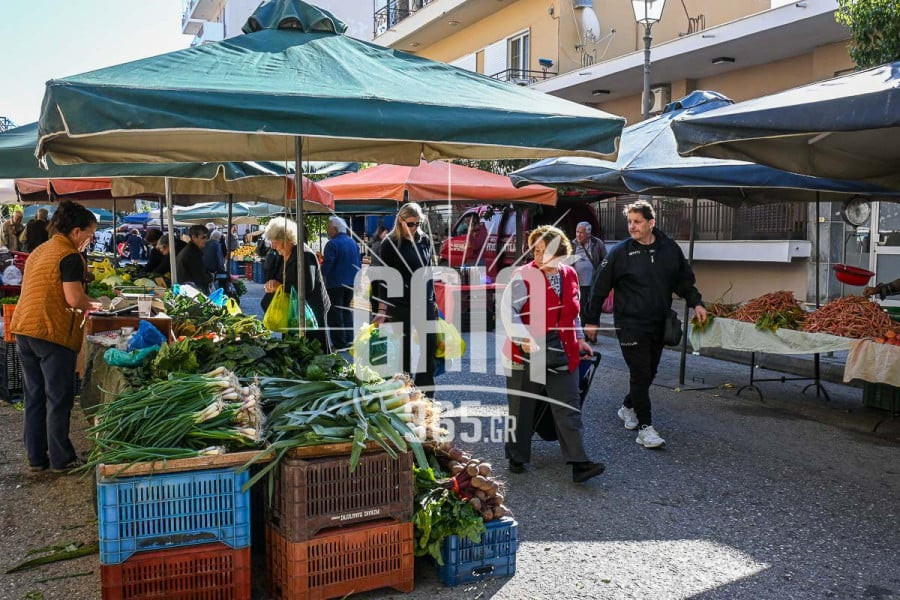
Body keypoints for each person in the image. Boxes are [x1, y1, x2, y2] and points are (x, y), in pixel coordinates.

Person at [584, 200, 707, 449]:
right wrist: (591, 321)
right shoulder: (620, 253)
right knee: (640, 372)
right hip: (629, 324)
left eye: (637, 221)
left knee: (649, 372)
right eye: (629, 222)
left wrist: (697, 303)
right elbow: (599, 287)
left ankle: (628, 406)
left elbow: (684, 282)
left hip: (658, 322)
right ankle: (645, 427)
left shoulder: (670, 250)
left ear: (651, 223)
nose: (632, 226)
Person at [501, 225, 605, 483]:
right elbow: (507, 311)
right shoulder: (523, 275)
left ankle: (579, 464)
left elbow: (574, 312)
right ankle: (517, 455)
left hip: (563, 349)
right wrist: (522, 338)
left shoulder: (569, 274)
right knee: (522, 407)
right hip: (527, 350)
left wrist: (580, 338)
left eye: (544, 251)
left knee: (569, 407)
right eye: (535, 250)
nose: (537, 255)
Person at [10, 201, 101, 474]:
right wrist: (97, 304)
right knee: (58, 397)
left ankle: (36, 458)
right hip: (51, 332)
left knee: (35, 396)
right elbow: (73, 298)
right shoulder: (70, 255)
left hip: (25, 328)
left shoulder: (42, 249)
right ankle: (62, 459)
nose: (90, 239)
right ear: (76, 231)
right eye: (89, 234)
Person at [373, 203, 437, 391]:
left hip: (424, 302)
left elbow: (428, 271)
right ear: (400, 221)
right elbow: (383, 281)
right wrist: (381, 310)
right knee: (404, 353)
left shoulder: (424, 240)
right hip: (400, 305)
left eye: (418, 223)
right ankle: (405, 394)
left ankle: (425, 396)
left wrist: (434, 302)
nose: (414, 228)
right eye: (410, 223)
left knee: (429, 349)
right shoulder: (389, 244)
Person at [262, 217, 330, 352]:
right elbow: (278, 277)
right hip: (291, 309)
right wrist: (272, 283)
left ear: (286, 238)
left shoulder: (305, 255)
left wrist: (279, 286)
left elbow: (307, 286)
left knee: (312, 348)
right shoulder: (284, 255)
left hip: (310, 311)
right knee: (292, 346)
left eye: (275, 241)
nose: (273, 246)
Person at [322, 216, 361, 350]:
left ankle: (339, 342)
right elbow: (359, 264)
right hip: (351, 282)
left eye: (328, 228)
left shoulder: (332, 244)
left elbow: (328, 264)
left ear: (335, 228)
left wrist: (321, 277)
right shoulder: (353, 243)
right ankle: (349, 340)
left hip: (335, 283)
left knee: (335, 313)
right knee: (346, 311)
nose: (327, 230)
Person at [571, 221, 607, 322]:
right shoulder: (572, 244)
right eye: (577, 232)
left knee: (593, 311)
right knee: (580, 311)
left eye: (581, 232)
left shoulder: (597, 243)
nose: (578, 235)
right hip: (578, 285)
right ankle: (582, 335)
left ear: (588, 233)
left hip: (593, 284)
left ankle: (592, 335)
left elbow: (605, 261)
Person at [175, 225, 212, 291]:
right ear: (194, 237)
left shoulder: (190, 250)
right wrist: (210, 277)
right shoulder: (192, 253)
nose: (205, 240)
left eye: (206, 237)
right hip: (192, 292)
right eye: (203, 237)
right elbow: (200, 277)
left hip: (188, 290)